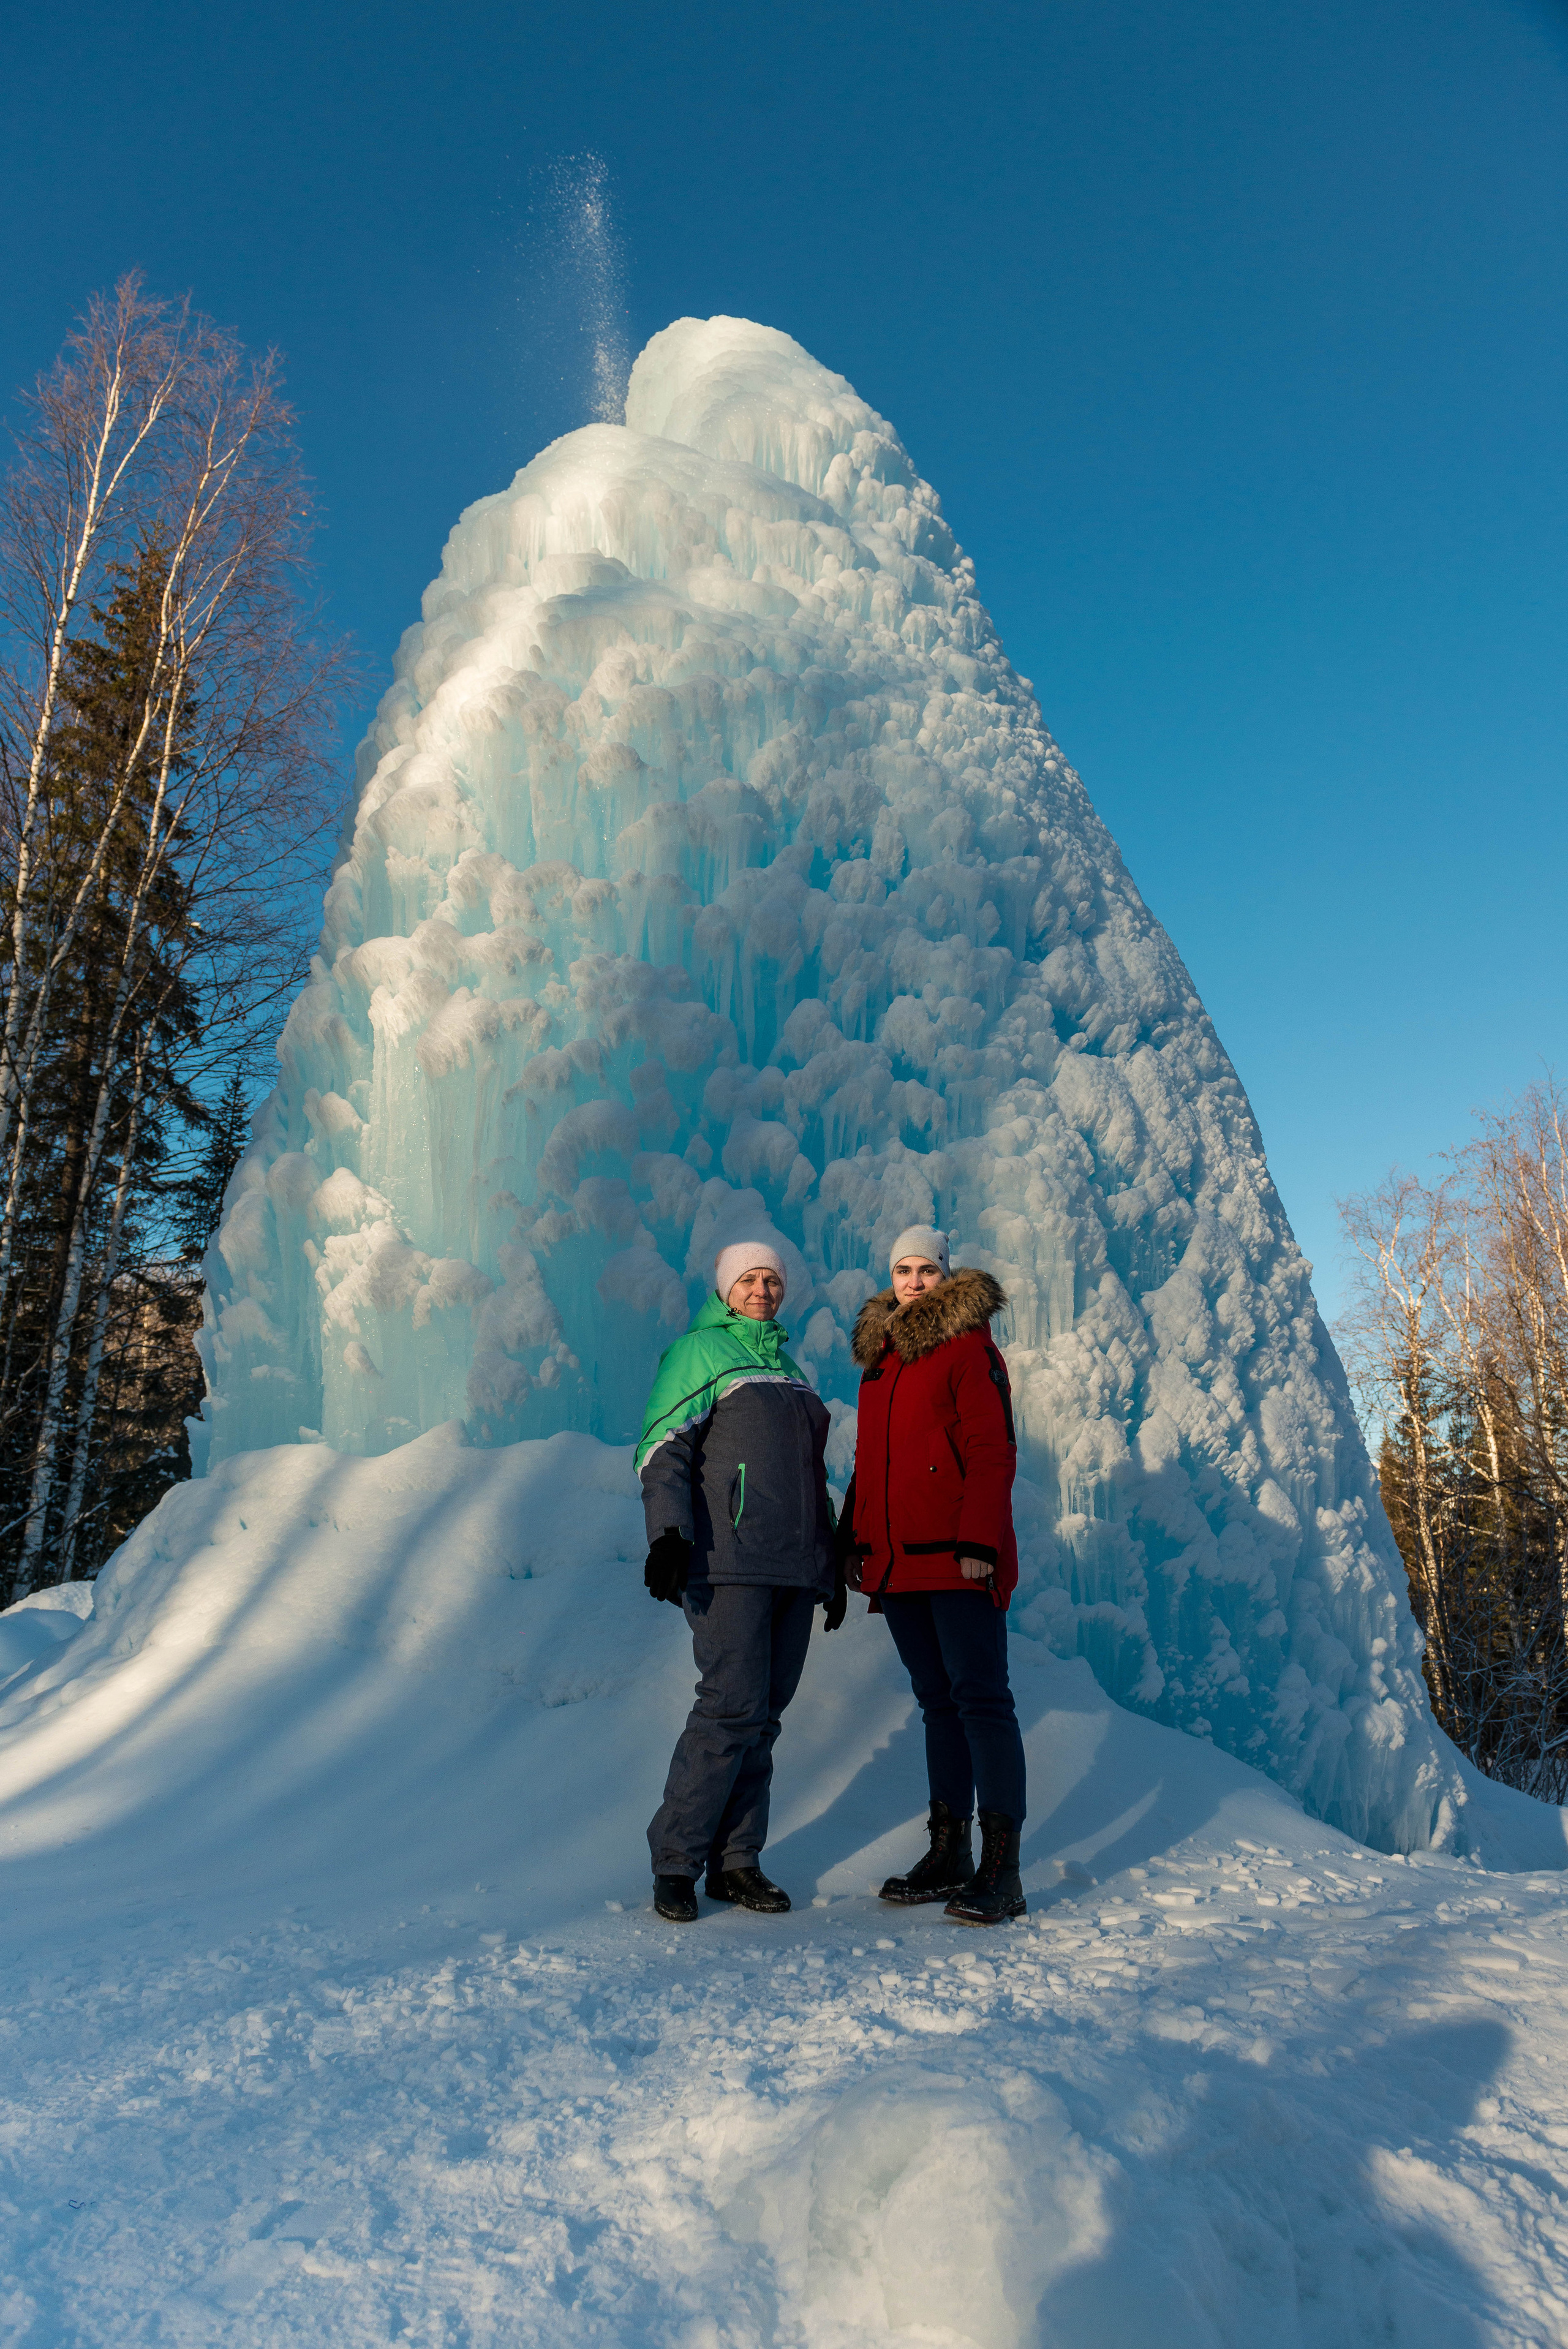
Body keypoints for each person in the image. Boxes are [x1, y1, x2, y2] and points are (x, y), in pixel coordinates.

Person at [637, 1240, 845, 1925]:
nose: (761, 1291)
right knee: (728, 1708)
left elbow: (810, 1478)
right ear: (726, 1289)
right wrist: (668, 1534)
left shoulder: (790, 1369)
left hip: (792, 1564)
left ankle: (737, 1862)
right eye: (749, 1280)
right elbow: (662, 1448)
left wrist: (830, 1558)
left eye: (771, 1280)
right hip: (729, 1560)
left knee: (765, 1717)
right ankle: (676, 1861)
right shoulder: (698, 1352)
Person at [840, 1226, 1027, 1926]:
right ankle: (945, 1853)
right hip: (898, 1561)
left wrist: (979, 1537)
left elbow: (991, 1447)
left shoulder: (969, 1347)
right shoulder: (880, 1361)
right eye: (903, 1270)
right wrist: (853, 1541)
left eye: (926, 1269)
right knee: (939, 1704)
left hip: (955, 1553)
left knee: (981, 1701)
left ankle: (1001, 1870)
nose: (914, 1280)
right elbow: (874, 1462)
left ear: (946, 1276)